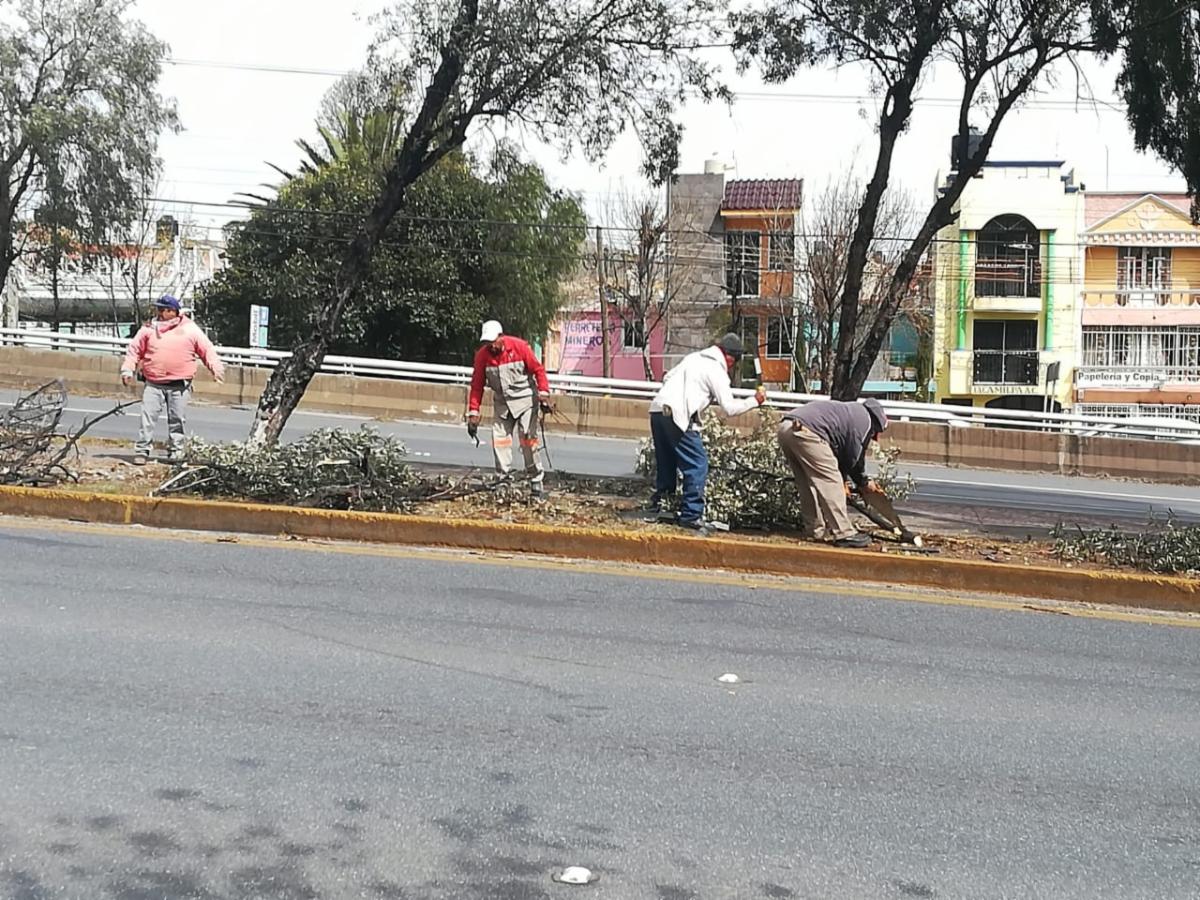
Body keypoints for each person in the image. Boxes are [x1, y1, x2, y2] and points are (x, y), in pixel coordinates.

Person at [648, 333, 766, 534]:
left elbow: (667, 377)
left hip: (658, 410)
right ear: (730, 358)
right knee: (697, 463)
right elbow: (729, 408)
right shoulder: (716, 370)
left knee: (667, 461)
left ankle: (662, 506)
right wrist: (755, 401)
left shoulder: (693, 358)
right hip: (677, 413)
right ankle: (691, 515)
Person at [120, 295, 225, 465]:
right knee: (147, 418)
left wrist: (216, 369)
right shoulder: (149, 329)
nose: (160, 313)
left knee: (177, 420)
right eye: (159, 309)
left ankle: (176, 451)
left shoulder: (190, 329)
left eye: (164, 310)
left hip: (180, 384)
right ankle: (142, 450)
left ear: (174, 311)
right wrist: (127, 370)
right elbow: (134, 350)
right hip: (153, 382)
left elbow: (206, 350)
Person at [776, 398, 889, 548]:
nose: (873, 438)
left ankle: (815, 530)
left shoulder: (850, 412)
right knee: (831, 481)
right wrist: (862, 482)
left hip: (787, 427)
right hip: (808, 431)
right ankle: (844, 533)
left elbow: (842, 454)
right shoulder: (865, 420)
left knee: (807, 484)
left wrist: (849, 480)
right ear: (876, 423)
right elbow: (853, 457)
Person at [467, 320, 552, 497]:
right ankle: (503, 479)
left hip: (525, 401)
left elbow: (538, 370)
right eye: (488, 343)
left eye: (493, 341)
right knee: (499, 440)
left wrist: (543, 393)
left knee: (528, 439)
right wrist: (473, 411)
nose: (491, 346)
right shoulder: (483, 356)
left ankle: (535, 479)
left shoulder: (519, 347)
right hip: (502, 403)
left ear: (501, 337)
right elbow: (477, 385)